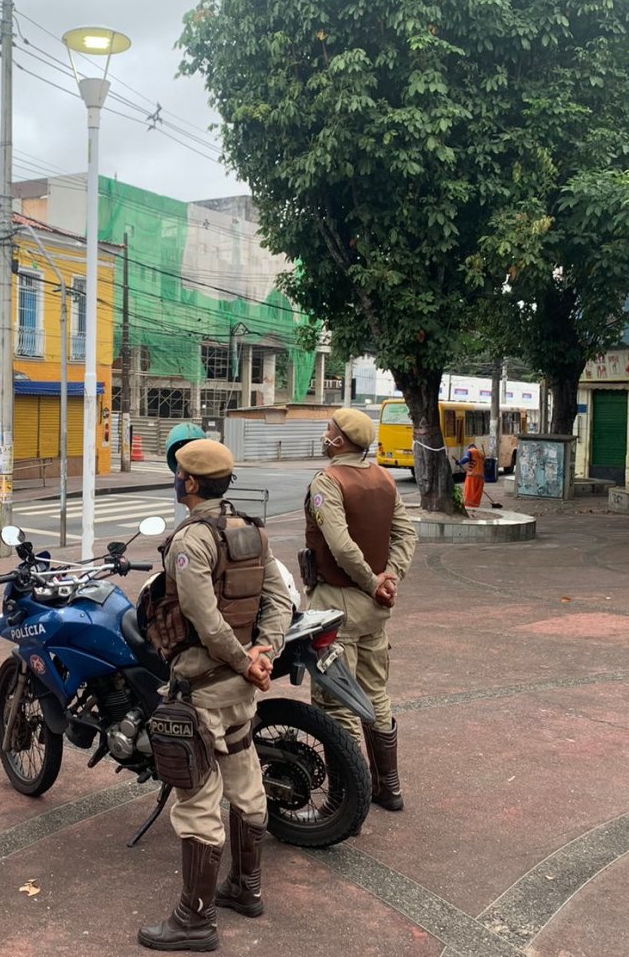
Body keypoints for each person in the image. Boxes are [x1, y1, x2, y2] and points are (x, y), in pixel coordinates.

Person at [139, 438, 294, 952]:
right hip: (239, 689)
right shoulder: (249, 529)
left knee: (198, 802)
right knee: (245, 779)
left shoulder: (190, 541)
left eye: (177, 474)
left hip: (203, 688)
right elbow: (279, 598)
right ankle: (245, 889)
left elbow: (205, 622)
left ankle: (194, 921)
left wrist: (248, 657)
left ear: (187, 481)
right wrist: (264, 649)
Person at [305, 408, 417, 812]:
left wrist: (373, 581)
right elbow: (406, 532)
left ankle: (342, 802)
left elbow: (340, 545)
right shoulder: (384, 478)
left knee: (336, 703)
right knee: (375, 694)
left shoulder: (328, 482)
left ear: (342, 440)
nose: (325, 434)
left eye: (330, 429)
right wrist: (391, 577)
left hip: (337, 605)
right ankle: (388, 787)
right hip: (375, 609)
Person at [459, 442, 485, 508]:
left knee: (469, 492)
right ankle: (475, 506)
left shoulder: (471, 451)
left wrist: (460, 462)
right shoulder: (481, 454)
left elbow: (466, 458)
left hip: (472, 476)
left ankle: (468, 506)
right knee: (476, 494)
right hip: (481, 477)